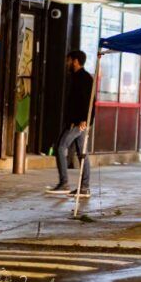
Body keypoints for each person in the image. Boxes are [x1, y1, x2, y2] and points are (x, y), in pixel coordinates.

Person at [46, 50, 95, 197]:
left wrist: (85, 120)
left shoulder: (84, 78)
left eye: (68, 60)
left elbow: (89, 101)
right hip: (78, 122)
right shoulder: (76, 77)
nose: (66, 63)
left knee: (60, 147)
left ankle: (64, 183)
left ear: (75, 61)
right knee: (82, 153)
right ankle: (84, 187)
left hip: (78, 123)